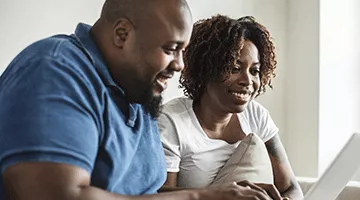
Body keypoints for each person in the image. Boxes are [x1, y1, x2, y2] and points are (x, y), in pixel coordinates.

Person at [0, 1, 277, 200]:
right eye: (170, 49)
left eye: (183, 50)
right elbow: (60, 195)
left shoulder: (138, 92)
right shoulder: (55, 70)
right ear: (122, 34)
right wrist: (201, 197)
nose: (180, 65)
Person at [158, 15, 304, 199]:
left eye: (254, 71)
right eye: (234, 68)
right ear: (206, 69)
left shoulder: (256, 115)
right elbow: (160, 196)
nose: (247, 81)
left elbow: (291, 187)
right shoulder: (172, 122)